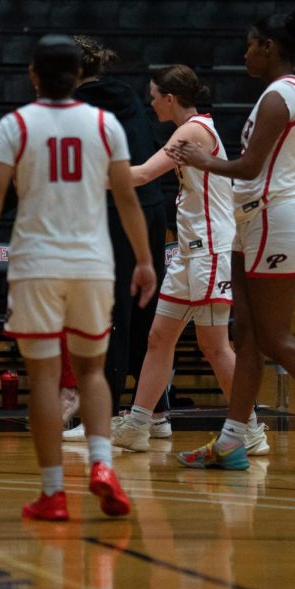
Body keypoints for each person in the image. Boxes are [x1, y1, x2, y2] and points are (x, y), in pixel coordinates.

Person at [170, 9, 295, 473]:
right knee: (246, 336)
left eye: (249, 44)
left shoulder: (280, 96)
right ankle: (231, 442)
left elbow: (248, 167)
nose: (244, 52)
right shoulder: (274, 94)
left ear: (268, 45)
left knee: (276, 338)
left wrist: (202, 160)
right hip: (254, 223)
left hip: (274, 221)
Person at [0, 35, 157, 521]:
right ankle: (103, 465)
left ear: (33, 74)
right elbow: (128, 199)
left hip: (36, 266)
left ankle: (53, 493)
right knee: (93, 370)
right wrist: (145, 259)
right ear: (80, 75)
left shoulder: (16, 125)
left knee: (45, 379)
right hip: (94, 262)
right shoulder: (104, 122)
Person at [109, 65, 266, 454]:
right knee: (159, 338)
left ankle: (250, 429)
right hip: (188, 252)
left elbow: (144, 174)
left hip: (210, 251)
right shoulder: (192, 130)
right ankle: (138, 425)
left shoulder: (192, 131)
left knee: (214, 347)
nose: (149, 102)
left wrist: (84, 174)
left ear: (169, 98)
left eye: (153, 95)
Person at [71, 37, 169, 416]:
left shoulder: (77, 109)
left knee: (110, 316)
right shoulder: (126, 97)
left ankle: (104, 414)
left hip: (117, 213)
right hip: (152, 211)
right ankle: (154, 413)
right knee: (145, 314)